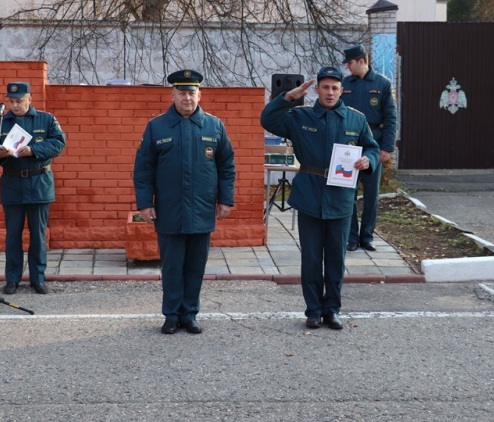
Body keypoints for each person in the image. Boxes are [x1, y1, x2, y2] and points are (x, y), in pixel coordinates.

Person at [261, 67, 379, 330]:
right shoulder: (301, 117)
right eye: (325, 87)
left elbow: (371, 147)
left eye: (335, 88)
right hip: (310, 196)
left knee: (336, 259)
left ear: (341, 90)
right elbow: (268, 120)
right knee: (312, 259)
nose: (330, 92)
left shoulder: (355, 119)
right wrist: (288, 97)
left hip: (340, 199)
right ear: (317, 90)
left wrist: (367, 160)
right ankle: (313, 310)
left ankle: (332, 309)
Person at [133, 69, 236, 335]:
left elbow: (227, 166)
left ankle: (189, 314)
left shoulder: (215, 126)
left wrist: (225, 200)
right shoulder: (157, 127)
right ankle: (170, 315)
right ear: (173, 95)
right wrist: (145, 204)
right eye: (182, 93)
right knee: (172, 266)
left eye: (192, 93)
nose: (187, 98)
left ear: (199, 94)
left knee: (195, 266)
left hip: (202, 210)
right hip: (169, 210)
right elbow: (143, 169)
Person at [0, 81, 66, 295]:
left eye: (19, 100)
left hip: (38, 183)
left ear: (30, 99)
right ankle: (12, 278)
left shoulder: (45, 119)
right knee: (13, 234)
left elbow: (58, 144)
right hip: (12, 184)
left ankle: (38, 278)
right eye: (11, 101)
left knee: (38, 235)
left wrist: (33, 150)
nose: (15, 105)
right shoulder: (0, 123)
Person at [339, 44, 398, 252]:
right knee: (349, 192)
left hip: (373, 144)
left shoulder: (382, 84)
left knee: (372, 194)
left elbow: (391, 118)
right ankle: (352, 237)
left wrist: (387, 148)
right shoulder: (345, 85)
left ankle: (367, 236)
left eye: (350, 63)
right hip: (350, 144)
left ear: (361, 61)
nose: (348, 67)